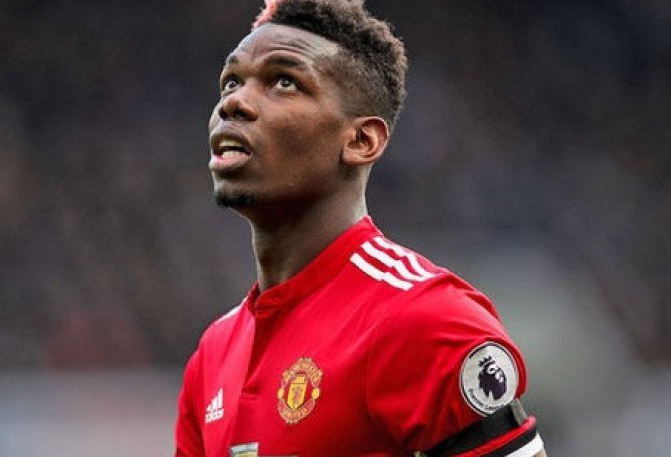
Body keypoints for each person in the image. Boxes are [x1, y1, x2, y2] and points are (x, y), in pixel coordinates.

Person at [175, 0, 546, 456]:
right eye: (231, 82)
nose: (233, 102)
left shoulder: (424, 320)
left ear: (361, 140)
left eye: (284, 82)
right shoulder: (213, 354)